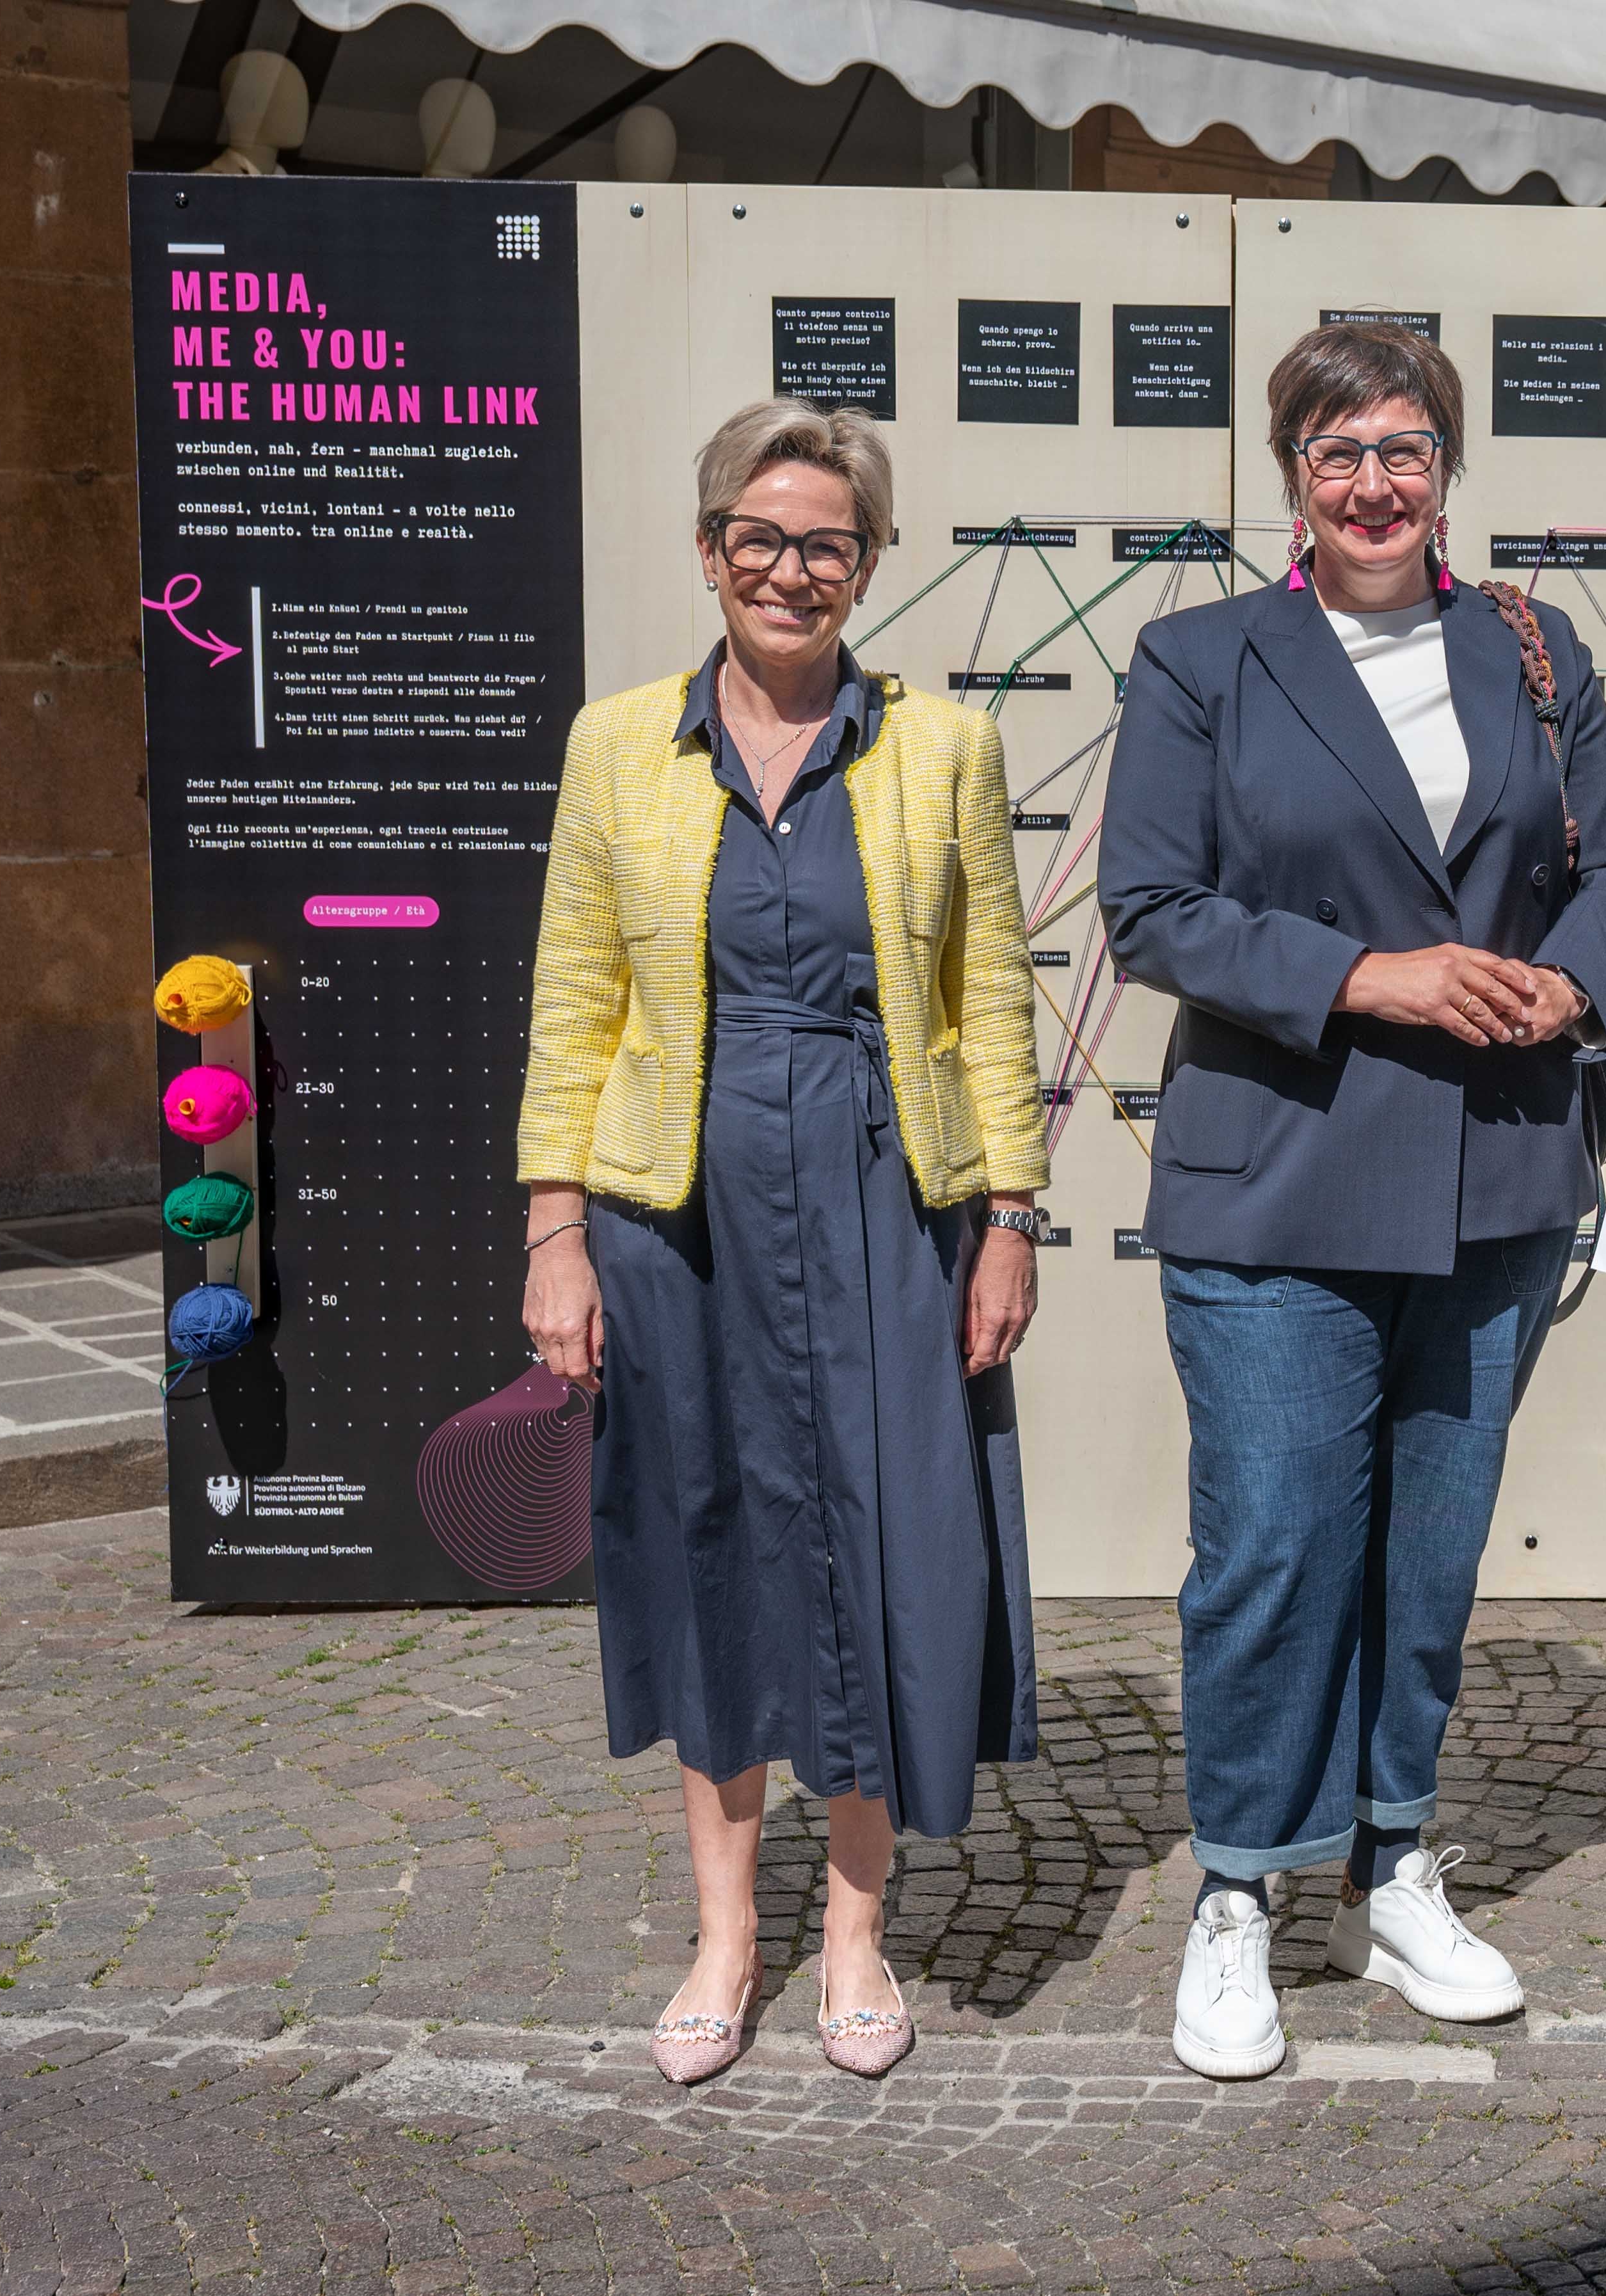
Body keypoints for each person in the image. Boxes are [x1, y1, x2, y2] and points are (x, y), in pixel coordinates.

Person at [1101, 321, 1606, 2080]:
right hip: (1279, 1173)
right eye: (1337, 451)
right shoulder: (1203, 658)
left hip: (1491, 1175)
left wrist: (1571, 983)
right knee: (1273, 1545)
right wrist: (1371, 975)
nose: (1372, 483)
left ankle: (1392, 1857)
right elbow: (1151, 907)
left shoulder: (1530, 649)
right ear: (1291, 471)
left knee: (1430, 1544)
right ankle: (1238, 1889)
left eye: (1405, 449)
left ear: (1446, 467)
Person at [518, 398, 1049, 2087]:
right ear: (708, 550)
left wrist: (1010, 1218)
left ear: (868, 564)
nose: (791, 569)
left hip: (889, 1196)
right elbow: (575, 1001)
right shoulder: (618, 746)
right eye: (759, 537)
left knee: (886, 1543)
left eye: (828, 543)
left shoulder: (943, 748)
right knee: (707, 1539)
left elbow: (989, 998)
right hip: (672, 1213)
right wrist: (554, 1230)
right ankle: (726, 1935)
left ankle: (856, 1932)